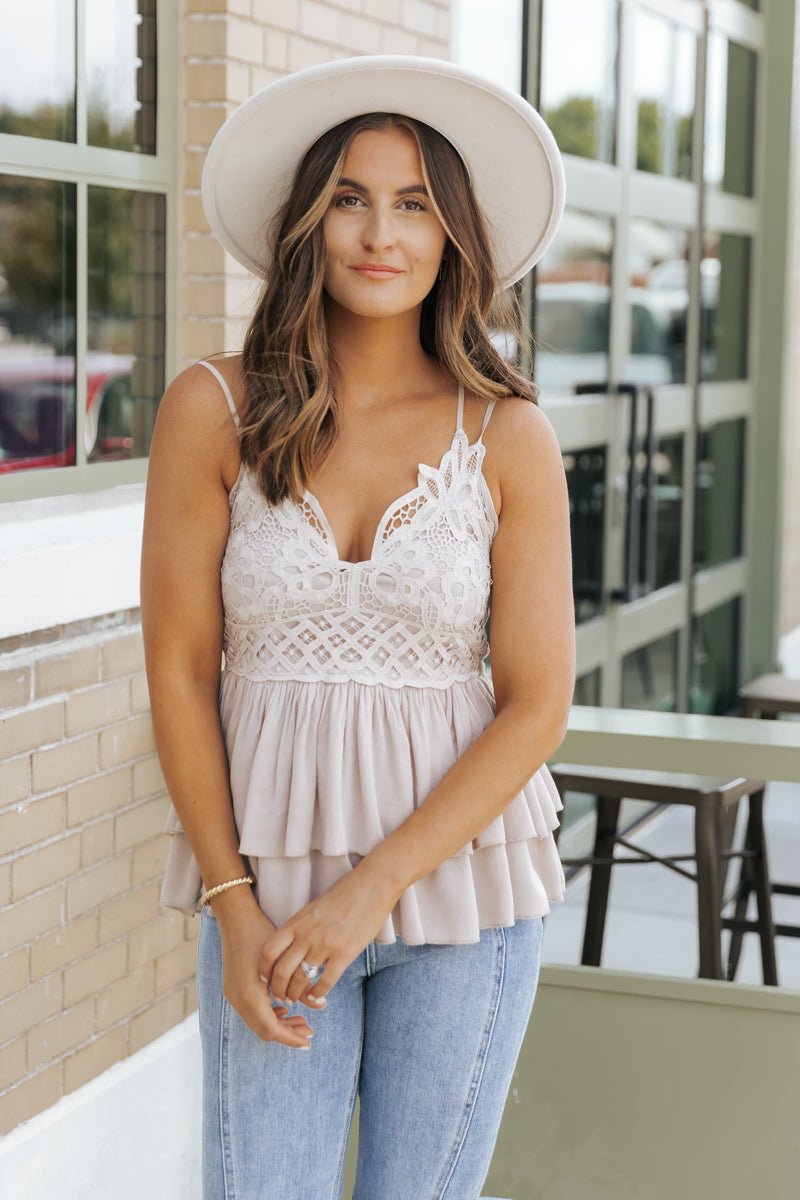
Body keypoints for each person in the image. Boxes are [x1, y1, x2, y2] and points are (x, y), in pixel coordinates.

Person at [141, 55, 574, 1200]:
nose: (378, 233)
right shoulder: (213, 408)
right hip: (269, 906)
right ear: (305, 225)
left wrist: (369, 889)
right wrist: (233, 908)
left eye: (414, 202)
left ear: (453, 235)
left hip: (465, 895)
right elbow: (180, 674)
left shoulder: (507, 432)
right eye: (347, 197)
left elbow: (537, 701)